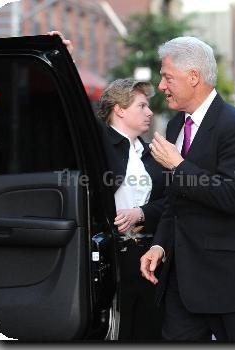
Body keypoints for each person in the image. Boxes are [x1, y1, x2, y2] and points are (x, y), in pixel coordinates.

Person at [140, 36, 235, 341]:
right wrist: (160, 244)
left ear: (194, 77)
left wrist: (178, 166)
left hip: (233, 281)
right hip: (182, 281)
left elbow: (231, 195)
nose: (161, 86)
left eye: (167, 77)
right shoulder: (177, 125)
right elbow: (172, 201)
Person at [96, 78, 165, 341]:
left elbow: (168, 202)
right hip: (112, 259)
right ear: (119, 109)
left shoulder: (150, 153)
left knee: (150, 332)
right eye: (142, 106)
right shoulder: (100, 145)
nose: (149, 113)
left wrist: (141, 213)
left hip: (149, 256)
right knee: (119, 333)